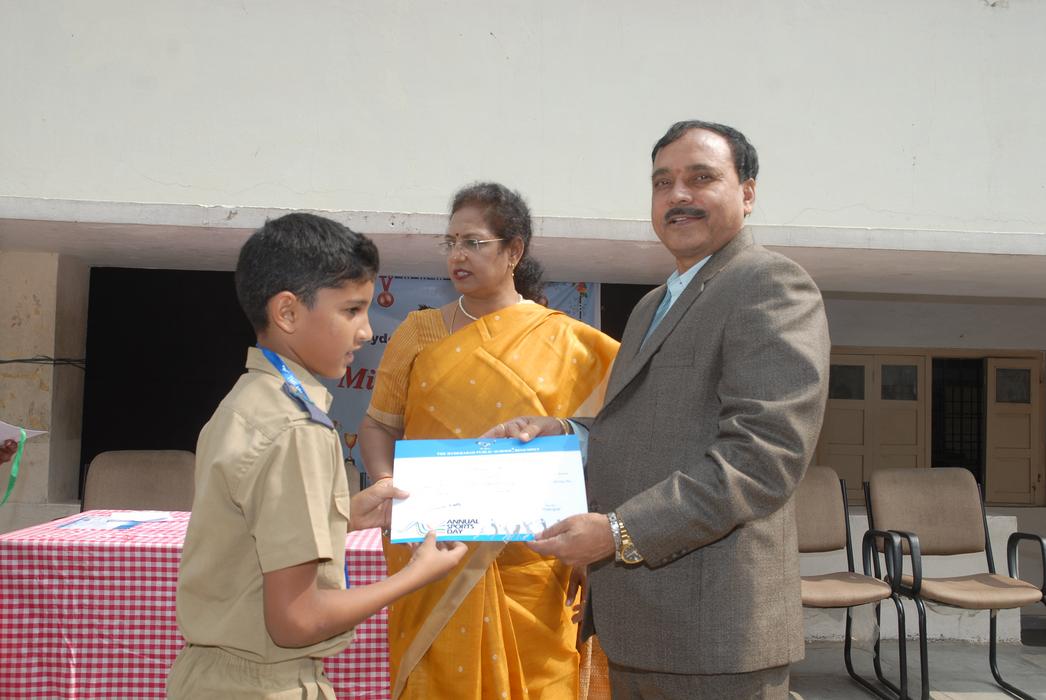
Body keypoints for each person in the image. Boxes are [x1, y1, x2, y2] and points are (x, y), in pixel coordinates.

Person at [496, 121, 831, 699]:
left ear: (748, 193)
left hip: (713, 634)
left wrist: (619, 532)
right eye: (662, 182)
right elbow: (650, 426)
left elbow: (762, 458)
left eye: (701, 178)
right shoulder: (652, 304)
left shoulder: (769, 284)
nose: (678, 195)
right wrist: (568, 433)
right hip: (637, 626)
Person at [169, 213, 467, 699]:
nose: (366, 332)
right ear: (287, 313)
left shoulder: (248, 401)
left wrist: (342, 518)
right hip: (266, 687)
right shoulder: (297, 429)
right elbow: (296, 620)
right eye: (351, 310)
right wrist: (415, 577)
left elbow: (251, 532)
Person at [358, 182, 620, 699]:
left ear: (513, 250)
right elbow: (378, 424)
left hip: (534, 564)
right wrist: (387, 485)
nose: (457, 255)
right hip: (432, 551)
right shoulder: (419, 332)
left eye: (473, 242)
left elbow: (617, 438)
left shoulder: (569, 342)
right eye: (451, 242)